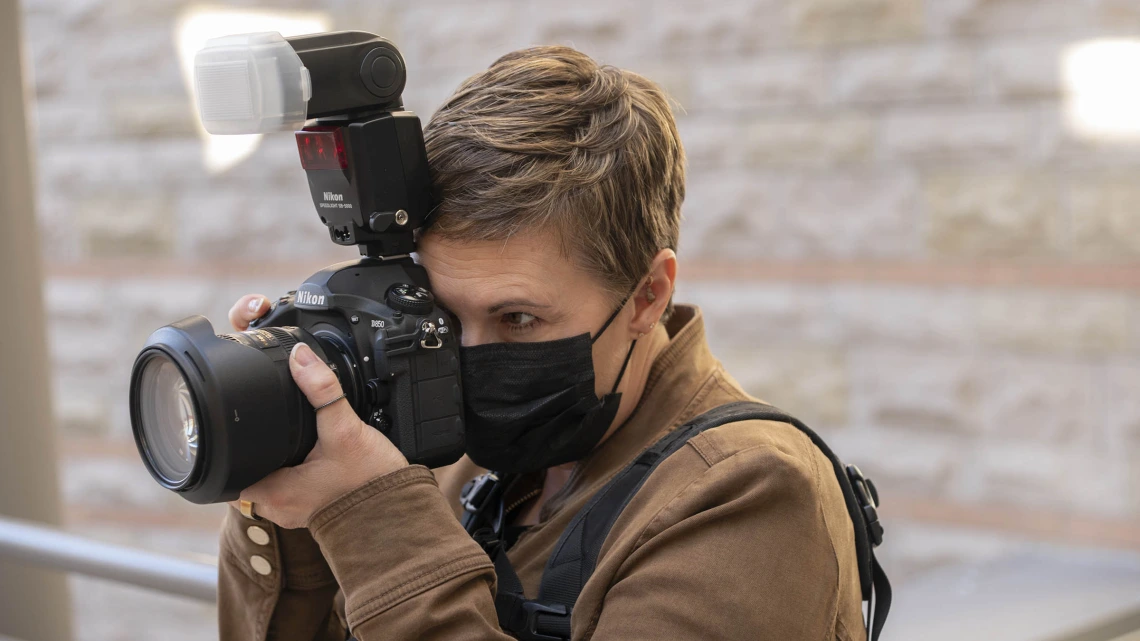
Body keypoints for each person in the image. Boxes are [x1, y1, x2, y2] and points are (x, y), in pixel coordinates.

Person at [217, 45, 867, 641]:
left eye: (518, 319)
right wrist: (296, 479)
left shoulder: (752, 494)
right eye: (442, 311)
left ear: (648, 295)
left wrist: (373, 516)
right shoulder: (455, 458)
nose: (467, 353)